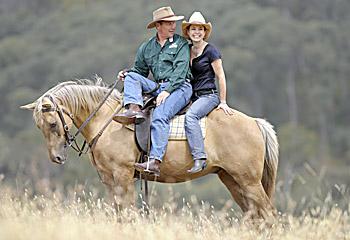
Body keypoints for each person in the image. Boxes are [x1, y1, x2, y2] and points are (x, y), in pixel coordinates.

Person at [113, 6, 193, 176]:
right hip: (158, 87)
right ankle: (134, 110)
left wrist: (168, 91)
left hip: (180, 87)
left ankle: (155, 161)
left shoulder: (181, 44)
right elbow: (140, 71)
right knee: (132, 77)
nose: (173, 26)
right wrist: (127, 74)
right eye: (169, 23)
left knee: (160, 116)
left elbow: (180, 72)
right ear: (158, 26)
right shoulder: (147, 47)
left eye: (174, 23)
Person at [182, 11, 234, 173]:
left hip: (208, 95)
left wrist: (223, 101)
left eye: (200, 29)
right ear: (188, 32)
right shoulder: (186, 50)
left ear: (204, 32)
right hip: (191, 96)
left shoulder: (211, 51)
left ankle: (199, 157)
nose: (196, 32)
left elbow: (221, 76)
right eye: (193, 29)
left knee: (191, 117)